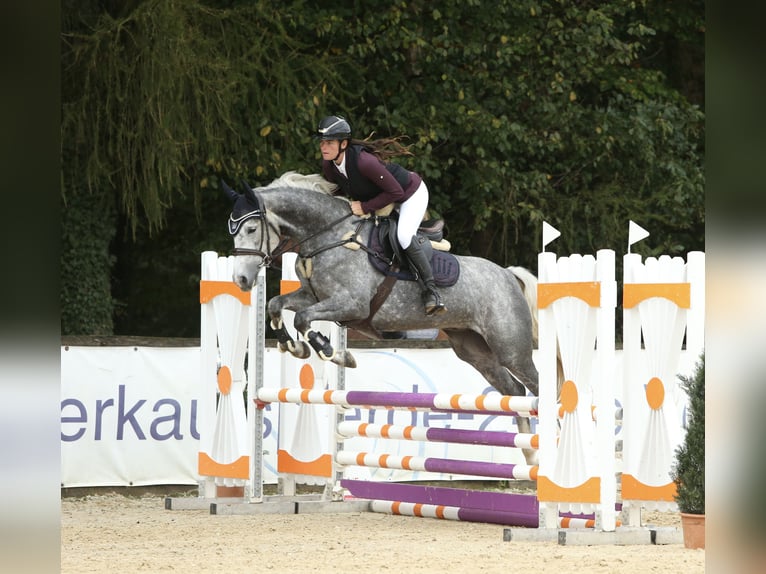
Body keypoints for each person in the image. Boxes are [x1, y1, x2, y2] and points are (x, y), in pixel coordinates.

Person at [315, 114, 445, 315]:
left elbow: (396, 192)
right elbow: (341, 190)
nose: (324, 147)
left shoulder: (364, 162)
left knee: (403, 236)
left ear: (343, 144)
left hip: (410, 194)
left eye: (329, 142)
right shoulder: (329, 166)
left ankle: (432, 292)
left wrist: (365, 207)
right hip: (383, 198)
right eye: (322, 142)